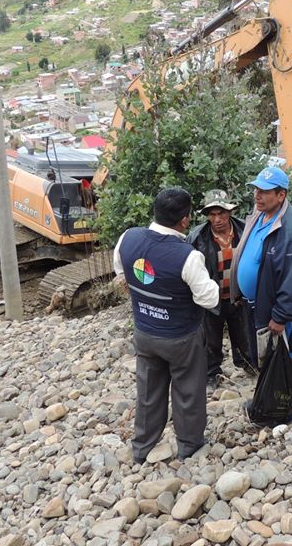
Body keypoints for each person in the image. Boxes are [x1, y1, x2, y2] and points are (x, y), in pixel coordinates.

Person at [113, 187, 219, 463]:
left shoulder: (128, 238)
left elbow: (121, 274)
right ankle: (189, 444)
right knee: (188, 390)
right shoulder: (187, 256)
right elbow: (208, 299)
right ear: (185, 220)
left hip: (145, 331)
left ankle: (142, 447)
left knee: (148, 390)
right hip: (181, 336)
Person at [231, 165, 292, 426]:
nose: (258, 195)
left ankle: (282, 410)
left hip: (273, 310)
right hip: (256, 304)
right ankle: (266, 400)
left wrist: (281, 315)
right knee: (265, 357)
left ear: (281, 195)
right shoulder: (260, 215)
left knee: (281, 358)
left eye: (265, 191)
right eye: (256, 189)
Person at [186, 189, 252, 385]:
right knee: (210, 339)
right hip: (211, 299)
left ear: (229, 212)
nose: (217, 219)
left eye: (221, 213)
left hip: (238, 296)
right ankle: (212, 373)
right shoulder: (197, 237)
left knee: (244, 334)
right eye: (212, 214)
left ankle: (248, 364)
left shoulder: (245, 229)